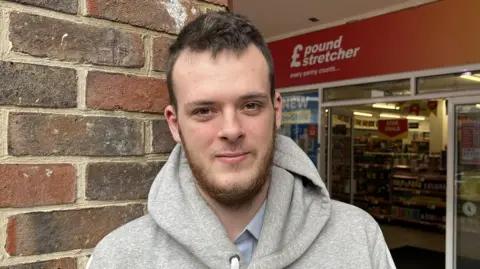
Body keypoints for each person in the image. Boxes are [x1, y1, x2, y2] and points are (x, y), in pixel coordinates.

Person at [87, 11, 396, 269]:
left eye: (250, 105)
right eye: (205, 110)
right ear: (175, 124)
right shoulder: (118, 258)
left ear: (276, 112)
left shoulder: (358, 240)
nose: (232, 129)